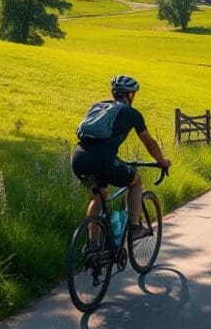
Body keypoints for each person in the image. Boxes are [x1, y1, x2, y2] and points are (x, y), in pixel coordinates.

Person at [71, 75, 171, 242]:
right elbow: (149, 142)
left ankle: (93, 248)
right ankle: (134, 228)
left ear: (113, 93)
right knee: (136, 181)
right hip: (103, 159)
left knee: (99, 195)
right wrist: (162, 160)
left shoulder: (98, 107)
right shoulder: (131, 113)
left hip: (78, 157)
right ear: (130, 95)